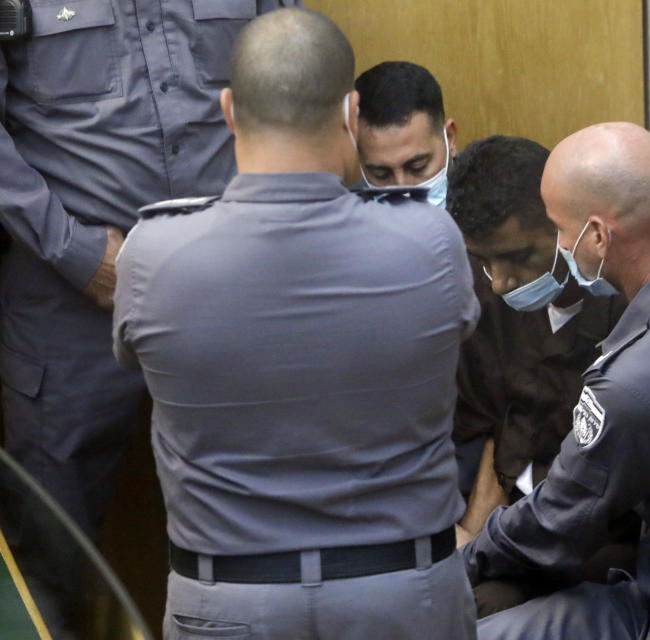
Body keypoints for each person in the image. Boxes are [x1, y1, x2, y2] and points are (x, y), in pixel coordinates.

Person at [112, 9, 479, 639]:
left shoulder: (151, 255)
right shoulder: (430, 242)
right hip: (402, 599)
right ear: (349, 112)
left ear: (228, 110)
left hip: (225, 604)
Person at [0, 0, 294, 631]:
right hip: (69, 302)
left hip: (232, 293)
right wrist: (79, 254)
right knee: (50, 551)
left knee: (270, 530)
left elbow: (297, 79)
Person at [462, 122, 650, 640]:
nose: (557, 245)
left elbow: (556, 521)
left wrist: (462, 559)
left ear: (599, 235)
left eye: (559, 228)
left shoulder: (635, 380)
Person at [446, 135, 630, 615]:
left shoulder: (628, 299)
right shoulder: (484, 299)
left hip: (606, 539)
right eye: (486, 261)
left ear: (566, 226)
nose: (502, 281)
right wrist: (470, 530)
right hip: (508, 527)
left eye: (521, 256)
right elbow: (477, 419)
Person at [355, 61, 458, 207]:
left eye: (418, 167)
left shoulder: (495, 210)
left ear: (450, 138)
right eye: (381, 174)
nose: (402, 190)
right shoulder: (345, 223)